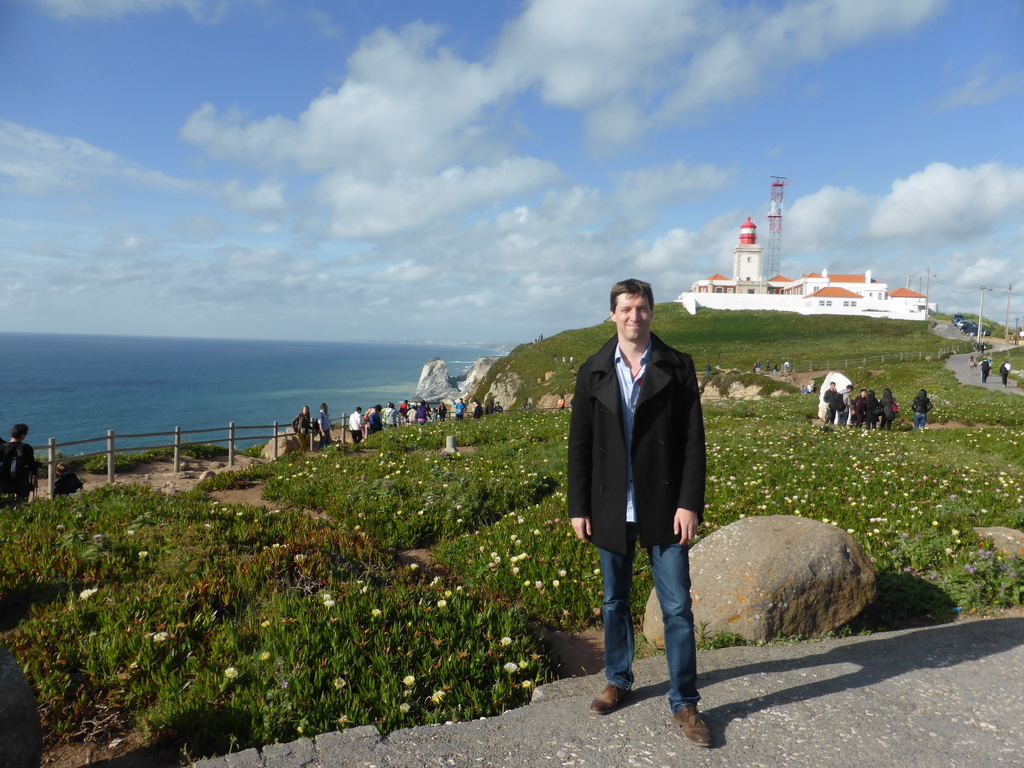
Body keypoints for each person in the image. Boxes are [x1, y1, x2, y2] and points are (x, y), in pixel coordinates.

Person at [568, 279, 711, 747]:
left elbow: (694, 443)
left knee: (677, 608)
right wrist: (578, 507)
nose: (635, 316)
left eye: (642, 308)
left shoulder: (677, 366)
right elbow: (580, 447)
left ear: (652, 313)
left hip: (667, 506)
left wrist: (690, 502)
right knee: (614, 601)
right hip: (610, 504)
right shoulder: (592, 371)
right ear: (613, 314)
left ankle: (685, 701)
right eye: (626, 308)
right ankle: (618, 679)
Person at [0, 423, 39, 503]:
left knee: (6, 504)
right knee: (22, 503)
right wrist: (35, 472)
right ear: (23, 435)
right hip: (21, 480)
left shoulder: (3, 447)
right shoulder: (26, 448)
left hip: (4, 480)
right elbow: (31, 463)